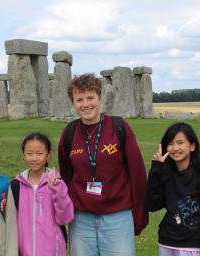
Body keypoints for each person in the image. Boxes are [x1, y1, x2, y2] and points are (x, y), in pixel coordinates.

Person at [58, 73, 148, 256]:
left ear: (99, 98)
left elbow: (137, 175)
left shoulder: (119, 127)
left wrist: (139, 216)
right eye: (79, 99)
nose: (86, 104)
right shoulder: (69, 133)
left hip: (118, 216)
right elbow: (66, 175)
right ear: (73, 103)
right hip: (81, 218)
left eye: (90, 97)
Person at [145, 122, 200, 256]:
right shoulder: (167, 174)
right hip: (166, 243)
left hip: (192, 246)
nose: (175, 148)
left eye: (180, 142)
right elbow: (152, 204)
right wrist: (156, 168)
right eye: (170, 143)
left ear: (192, 146)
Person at [12, 132, 74, 256]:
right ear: (24, 154)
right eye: (29, 153)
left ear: (48, 155)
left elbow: (65, 218)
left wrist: (56, 189)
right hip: (24, 251)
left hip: (52, 250)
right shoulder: (16, 185)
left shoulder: (57, 182)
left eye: (39, 153)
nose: (34, 158)